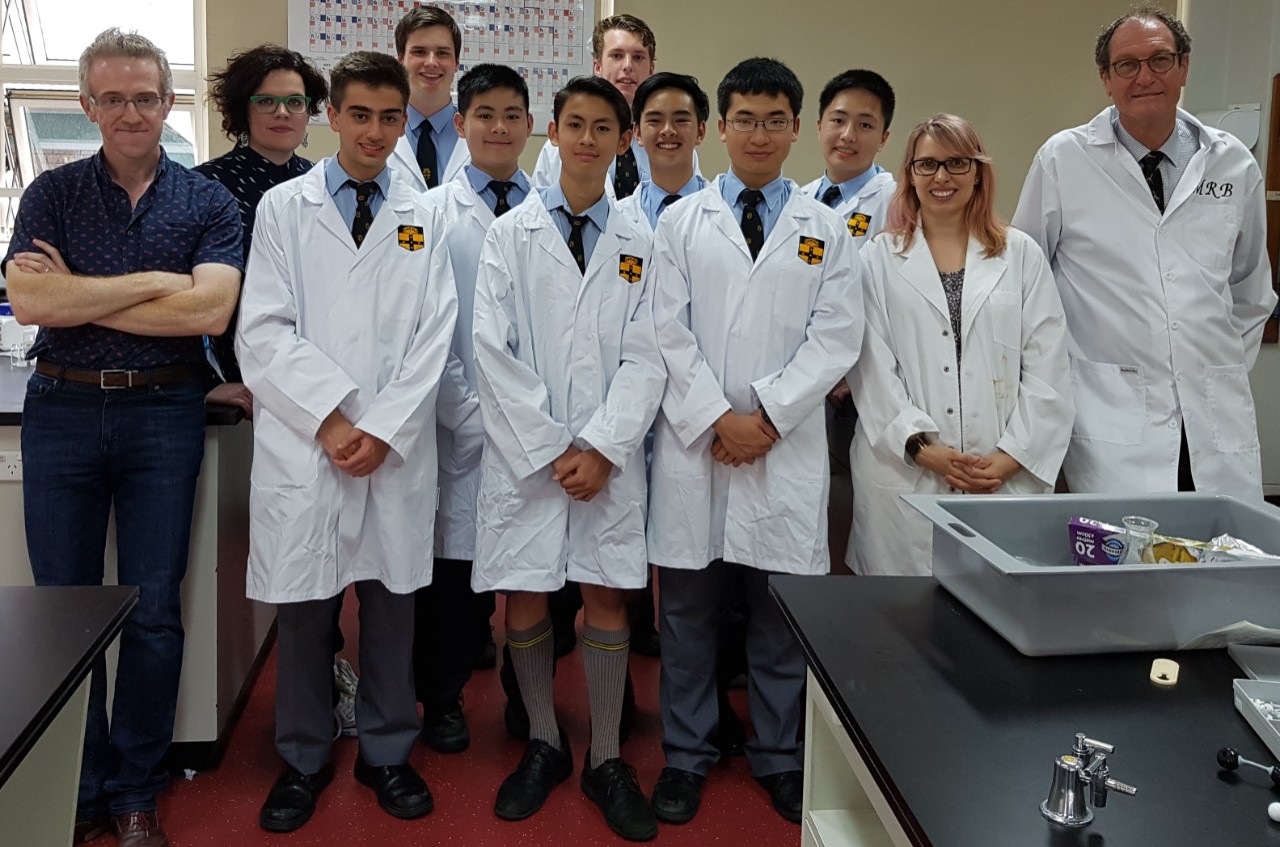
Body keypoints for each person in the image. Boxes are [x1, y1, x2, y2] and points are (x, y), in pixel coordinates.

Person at [4, 27, 242, 847]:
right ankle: (80, 778)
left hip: (163, 413)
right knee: (65, 613)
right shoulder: (49, 195)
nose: (131, 111)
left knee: (151, 612)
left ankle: (136, 786)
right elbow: (32, 307)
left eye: (145, 96)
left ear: (168, 102)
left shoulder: (207, 202)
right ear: (87, 105)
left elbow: (209, 310)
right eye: (113, 98)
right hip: (61, 412)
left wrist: (79, 290)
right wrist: (150, 284)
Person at [237, 51, 456, 832]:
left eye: (389, 116)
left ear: (407, 120)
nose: (373, 131)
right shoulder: (284, 209)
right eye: (358, 114)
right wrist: (332, 420)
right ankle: (301, 756)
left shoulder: (427, 210)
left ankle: (388, 752)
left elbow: (437, 336)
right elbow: (261, 329)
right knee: (303, 613)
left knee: (393, 607)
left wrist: (383, 426)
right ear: (332, 114)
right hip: (310, 444)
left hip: (391, 451)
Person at [645, 57, 863, 826]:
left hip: (781, 446)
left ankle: (779, 756)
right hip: (698, 447)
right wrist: (718, 419)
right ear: (722, 127)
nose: (760, 133)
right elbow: (663, 331)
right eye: (745, 118)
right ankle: (686, 755)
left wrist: (765, 418)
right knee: (688, 617)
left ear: (796, 129)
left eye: (775, 119)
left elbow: (838, 337)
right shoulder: (678, 221)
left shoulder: (824, 227)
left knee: (777, 622)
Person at [471, 75, 665, 842]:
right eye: (574, 125)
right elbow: (491, 350)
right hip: (529, 457)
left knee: (607, 593)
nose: (587, 139)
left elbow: (650, 358)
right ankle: (546, 743)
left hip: (607, 462)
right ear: (552, 132)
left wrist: (604, 447)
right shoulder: (506, 236)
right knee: (524, 594)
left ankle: (608, 756)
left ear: (625, 141)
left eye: (603, 128)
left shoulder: (641, 241)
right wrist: (557, 447)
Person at [1012, 5, 1274, 497]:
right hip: (1109, 408)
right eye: (1127, 65)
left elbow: (1251, 289)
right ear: (1106, 79)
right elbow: (1026, 279)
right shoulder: (1063, 159)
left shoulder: (1232, 163)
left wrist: (1213, 367)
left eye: (1159, 60)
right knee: (1124, 560)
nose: (1145, 76)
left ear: (1184, 67)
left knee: (1223, 555)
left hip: (1214, 410)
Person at [847, 114, 1073, 575]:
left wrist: (1011, 457)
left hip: (1002, 471)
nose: (942, 177)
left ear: (978, 172)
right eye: (927, 165)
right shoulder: (878, 260)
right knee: (901, 622)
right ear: (909, 174)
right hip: (906, 471)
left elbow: (1049, 367)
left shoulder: (1021, 255)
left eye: (956, 163)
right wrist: (919, 448)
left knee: (997, 614)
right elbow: (871, 367)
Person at [413, 62, 532, 756]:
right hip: (457, 423)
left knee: (532, 577)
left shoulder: (550, 206)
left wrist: (525, 418)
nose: (497, 126)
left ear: (529, 126)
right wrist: (471, 412)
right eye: (483, 114)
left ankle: (527, 696)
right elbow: (428, 327)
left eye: (511, 114)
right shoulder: (430, 213)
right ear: (460, 125)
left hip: (533, 424)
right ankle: (444, 700)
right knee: (451, 588)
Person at [195, 45, 328, 420]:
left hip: (320, 377)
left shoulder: (325, 183)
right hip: (246, 384)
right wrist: (207, 382)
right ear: (243, 110)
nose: (282, 112)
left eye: (295, 102)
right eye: (266, 101)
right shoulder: (205, 187)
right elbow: (183, 297)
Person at [532, 14, 698, 200]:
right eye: (617, 56)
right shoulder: (561, 146)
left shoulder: (672, 142)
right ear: (597, 67)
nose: (627, 66)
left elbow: (690, 210)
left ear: (651, 69)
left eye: (638, 57)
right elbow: (540, 215)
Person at [801, 69, 896, 249]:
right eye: (838, 120)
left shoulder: (896, 204)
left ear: (883, 139)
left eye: (865, 125)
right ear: (819, 127)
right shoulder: (799, 198)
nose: (848, 135)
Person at [388, 5, 470, 191]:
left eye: (442, 53)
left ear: (456, 62)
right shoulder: (379, 134)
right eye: (419, 52)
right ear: (401, 59)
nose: (431, 62)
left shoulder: (479, 137)